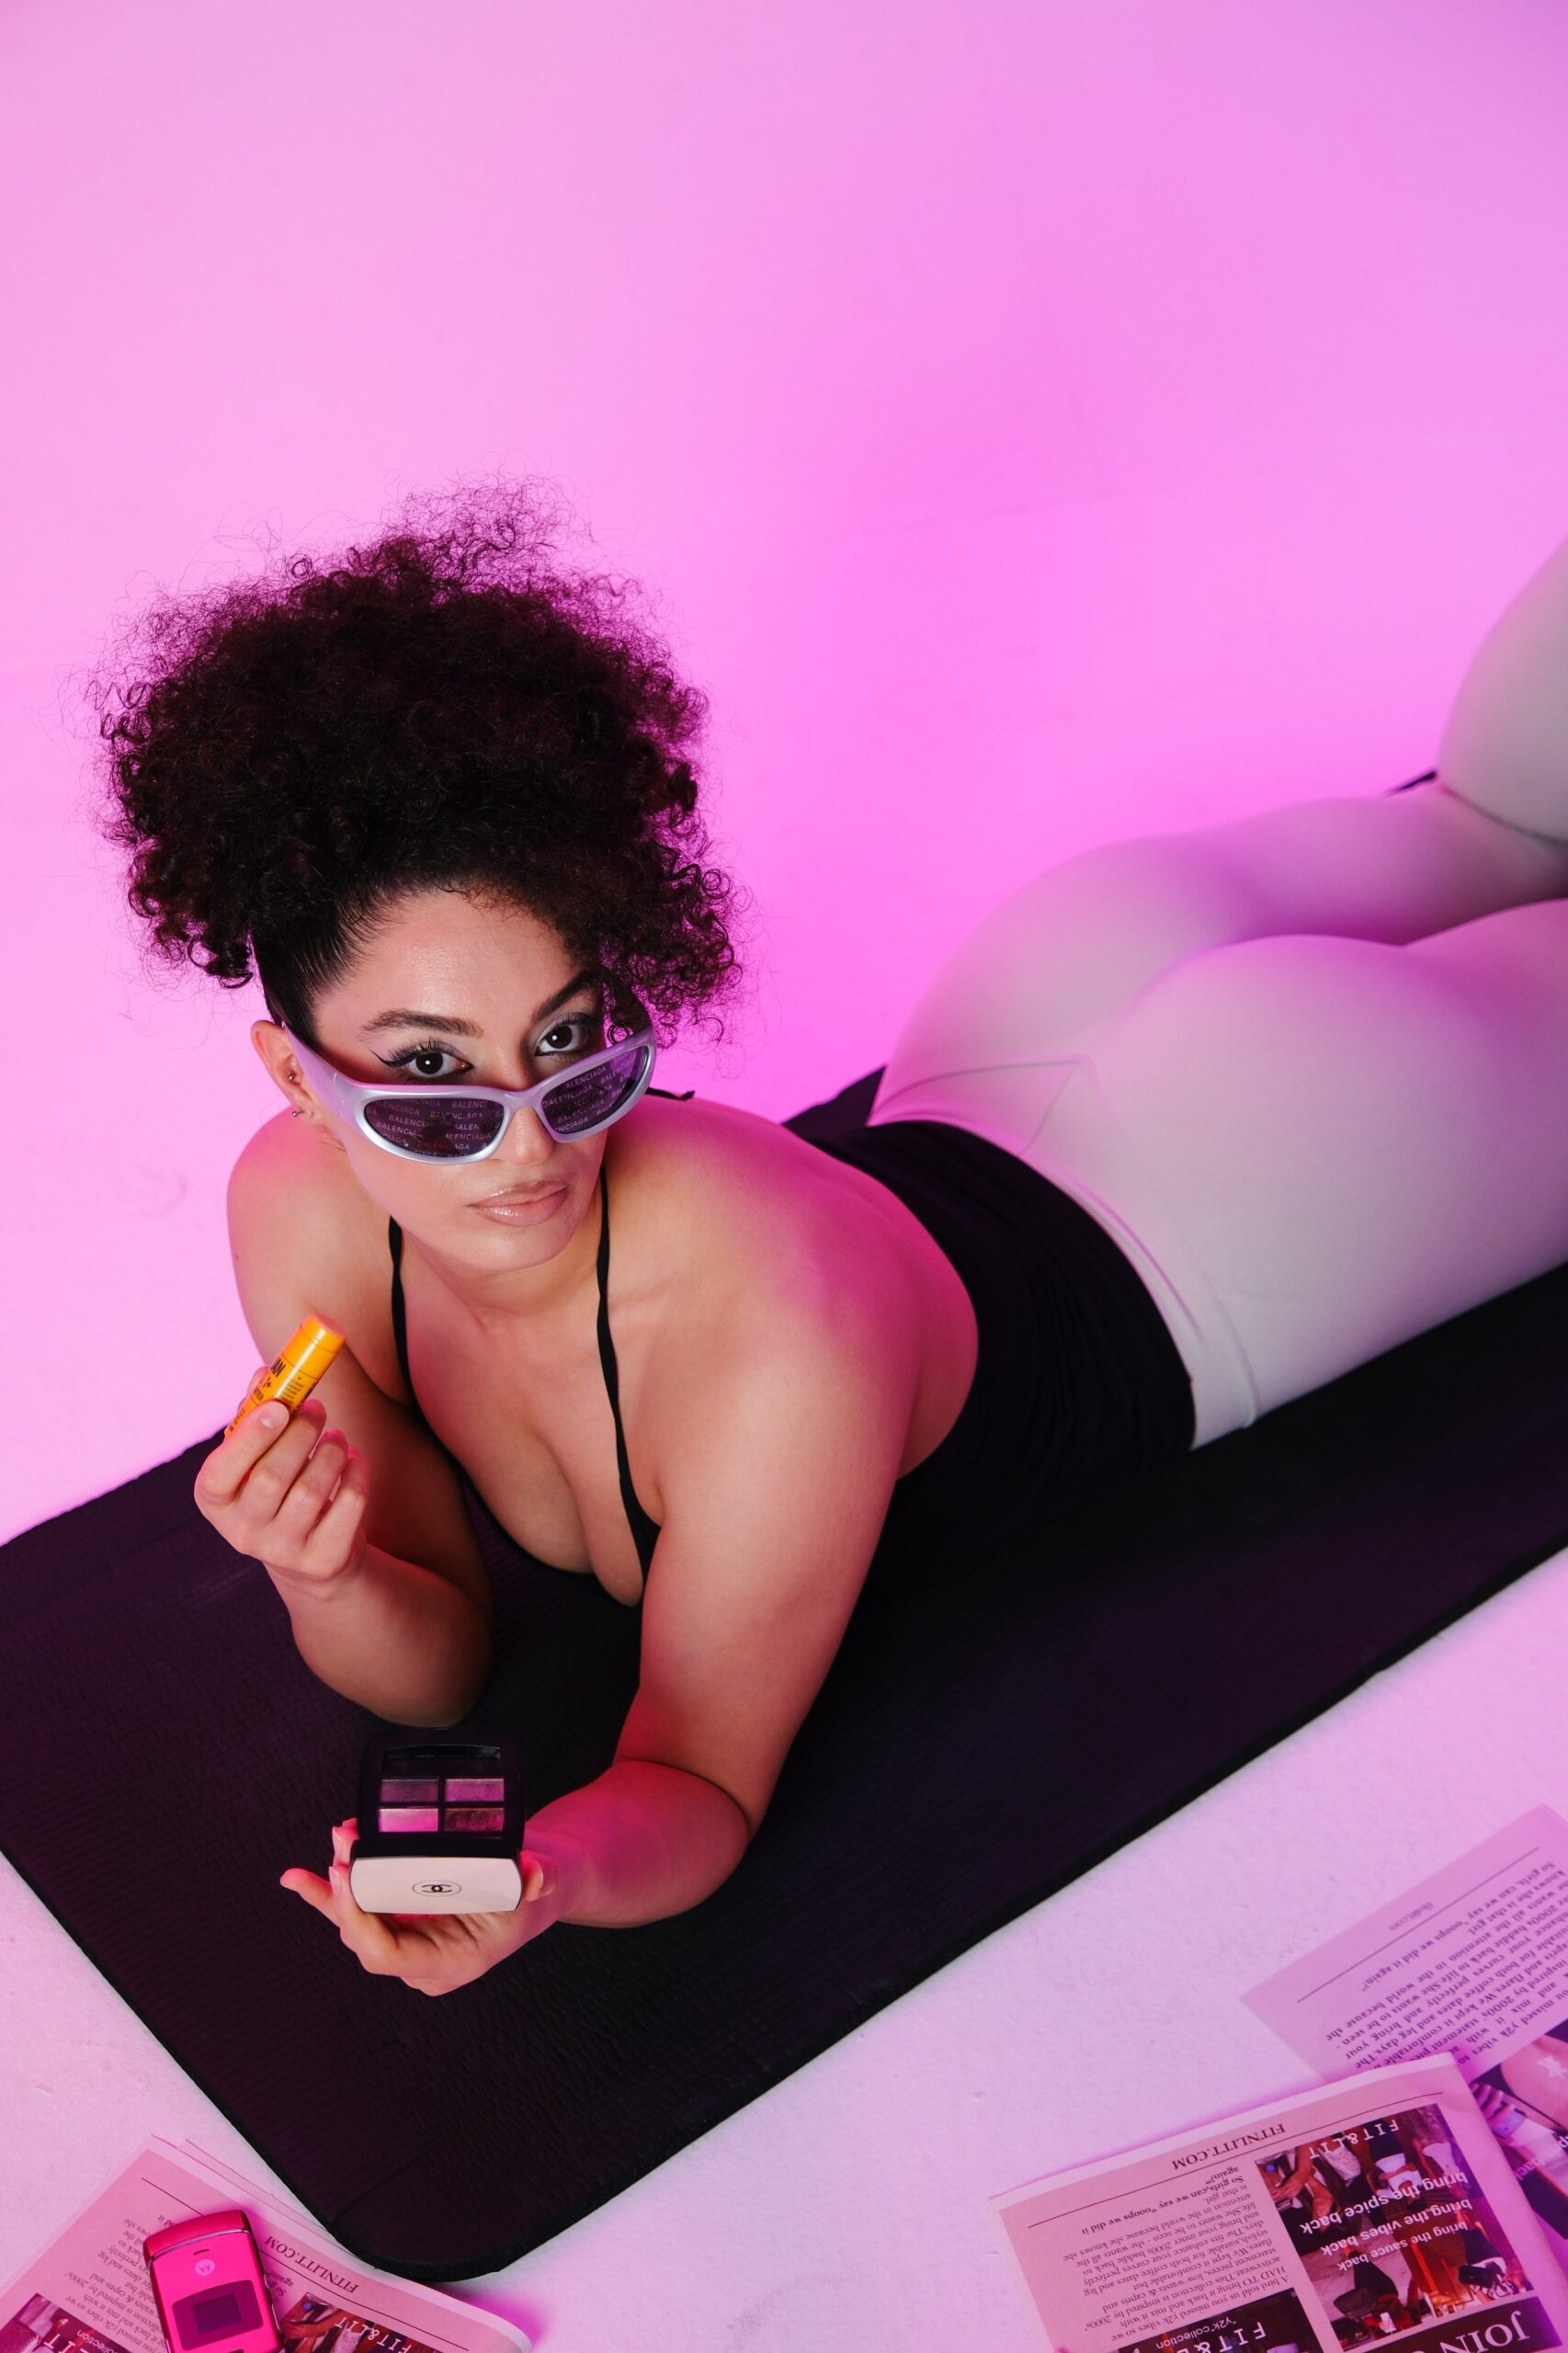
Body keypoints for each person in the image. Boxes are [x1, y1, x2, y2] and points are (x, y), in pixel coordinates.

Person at [98, 488, 1568, 1995]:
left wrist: (548, 1883)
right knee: (1491, 822)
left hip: (1263, 1180)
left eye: (573, 1043)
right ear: (297, 1079)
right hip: (1033, 996)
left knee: (1509, 828)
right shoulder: (295, 1206)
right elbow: (435, 1667)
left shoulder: (768, 1318)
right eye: (428, 1079)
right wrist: (321, 1574)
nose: (527, 1147)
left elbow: (697, 1780)